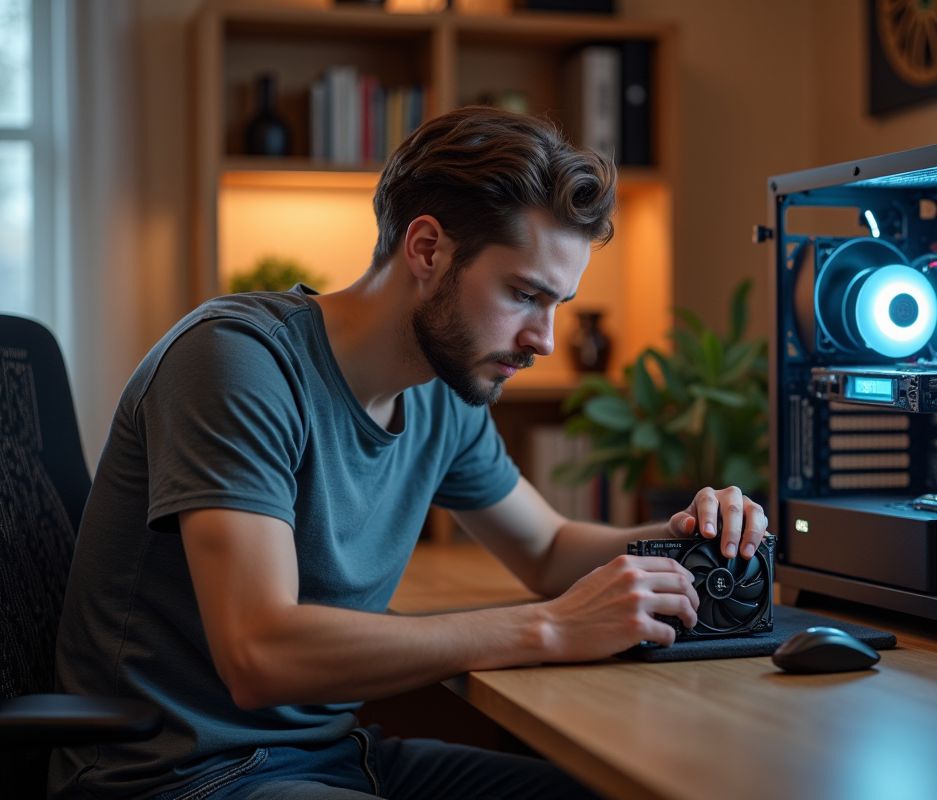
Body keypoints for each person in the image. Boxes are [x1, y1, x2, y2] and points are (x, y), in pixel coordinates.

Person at [50, 107, 769, 800]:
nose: (544, 339)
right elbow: (259, 653)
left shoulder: (442, 393)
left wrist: (679, 543)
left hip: (333, 756)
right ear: (427, 249)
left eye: (558, 305)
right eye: (524, 294)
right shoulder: (236, 362)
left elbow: (548, 548)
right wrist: (548, 626)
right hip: (180, 777)